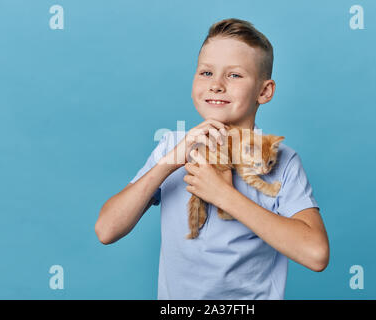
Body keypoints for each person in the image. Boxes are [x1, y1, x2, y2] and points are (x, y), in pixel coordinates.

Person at [95, 18, 329, 299]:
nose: (216, 85)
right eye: (206, 73)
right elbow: (106, 230)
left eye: (234, 75)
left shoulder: (282, 162)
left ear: (264, 91)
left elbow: (316, 255)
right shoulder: (172, 147)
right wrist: (170, 162)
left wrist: (223, 195)